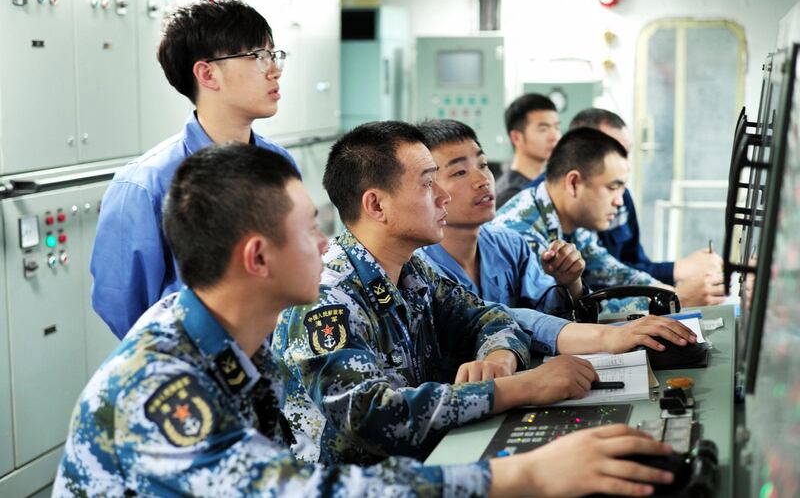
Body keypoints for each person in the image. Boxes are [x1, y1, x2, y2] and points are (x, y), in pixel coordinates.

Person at [56, 144, 677, 498]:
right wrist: (526, 475)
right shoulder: (160, 384)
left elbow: (483, 316)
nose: (326, 245)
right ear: (258, 257)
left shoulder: (230, 338)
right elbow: (305, 490)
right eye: (308, 230)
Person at [273, 121, 604, 467]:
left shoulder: (413, 271)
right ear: (376, 205)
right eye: (428, 183)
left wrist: (499, 357)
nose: (443, 196)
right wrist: (521, 388)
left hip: (421, 470)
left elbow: (489, 317)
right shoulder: (326, 298)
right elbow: (371, 417)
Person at [90, 0, 296, 339]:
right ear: (206, 73)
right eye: (258, 56)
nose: (273, 69)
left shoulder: (279, 164)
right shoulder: (146, 183)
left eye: (274, 55)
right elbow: (125, 307)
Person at [417, 119, 696, 356]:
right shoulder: (418, 267)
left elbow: (554, 310)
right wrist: (608, 337)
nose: (483, 180)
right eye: (460, 171)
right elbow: (494, 318)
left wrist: (570, 282)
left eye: (483, 164)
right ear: (427, 187)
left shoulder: (507, 245)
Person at [569, 108, 725, 306]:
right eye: (614, 152)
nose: (625, 164)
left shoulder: (621, 196)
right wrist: (676, 294)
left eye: (626, 153)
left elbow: (617, 271)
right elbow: (572, 310)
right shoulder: (538, 223)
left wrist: (674, 292)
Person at [493, 127, 665, 306]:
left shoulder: (570, 218)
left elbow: (610, 271)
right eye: (613, 188)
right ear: (574, 183)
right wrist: (659, 303)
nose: (619, 202)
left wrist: (663, 291)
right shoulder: (521, 235)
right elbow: (559, 316)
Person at [494, 93, 561, 208]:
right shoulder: (511, 195)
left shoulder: (544, 184)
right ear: (516, 138)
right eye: (543, 129)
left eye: (556, 127)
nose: (554, 136)